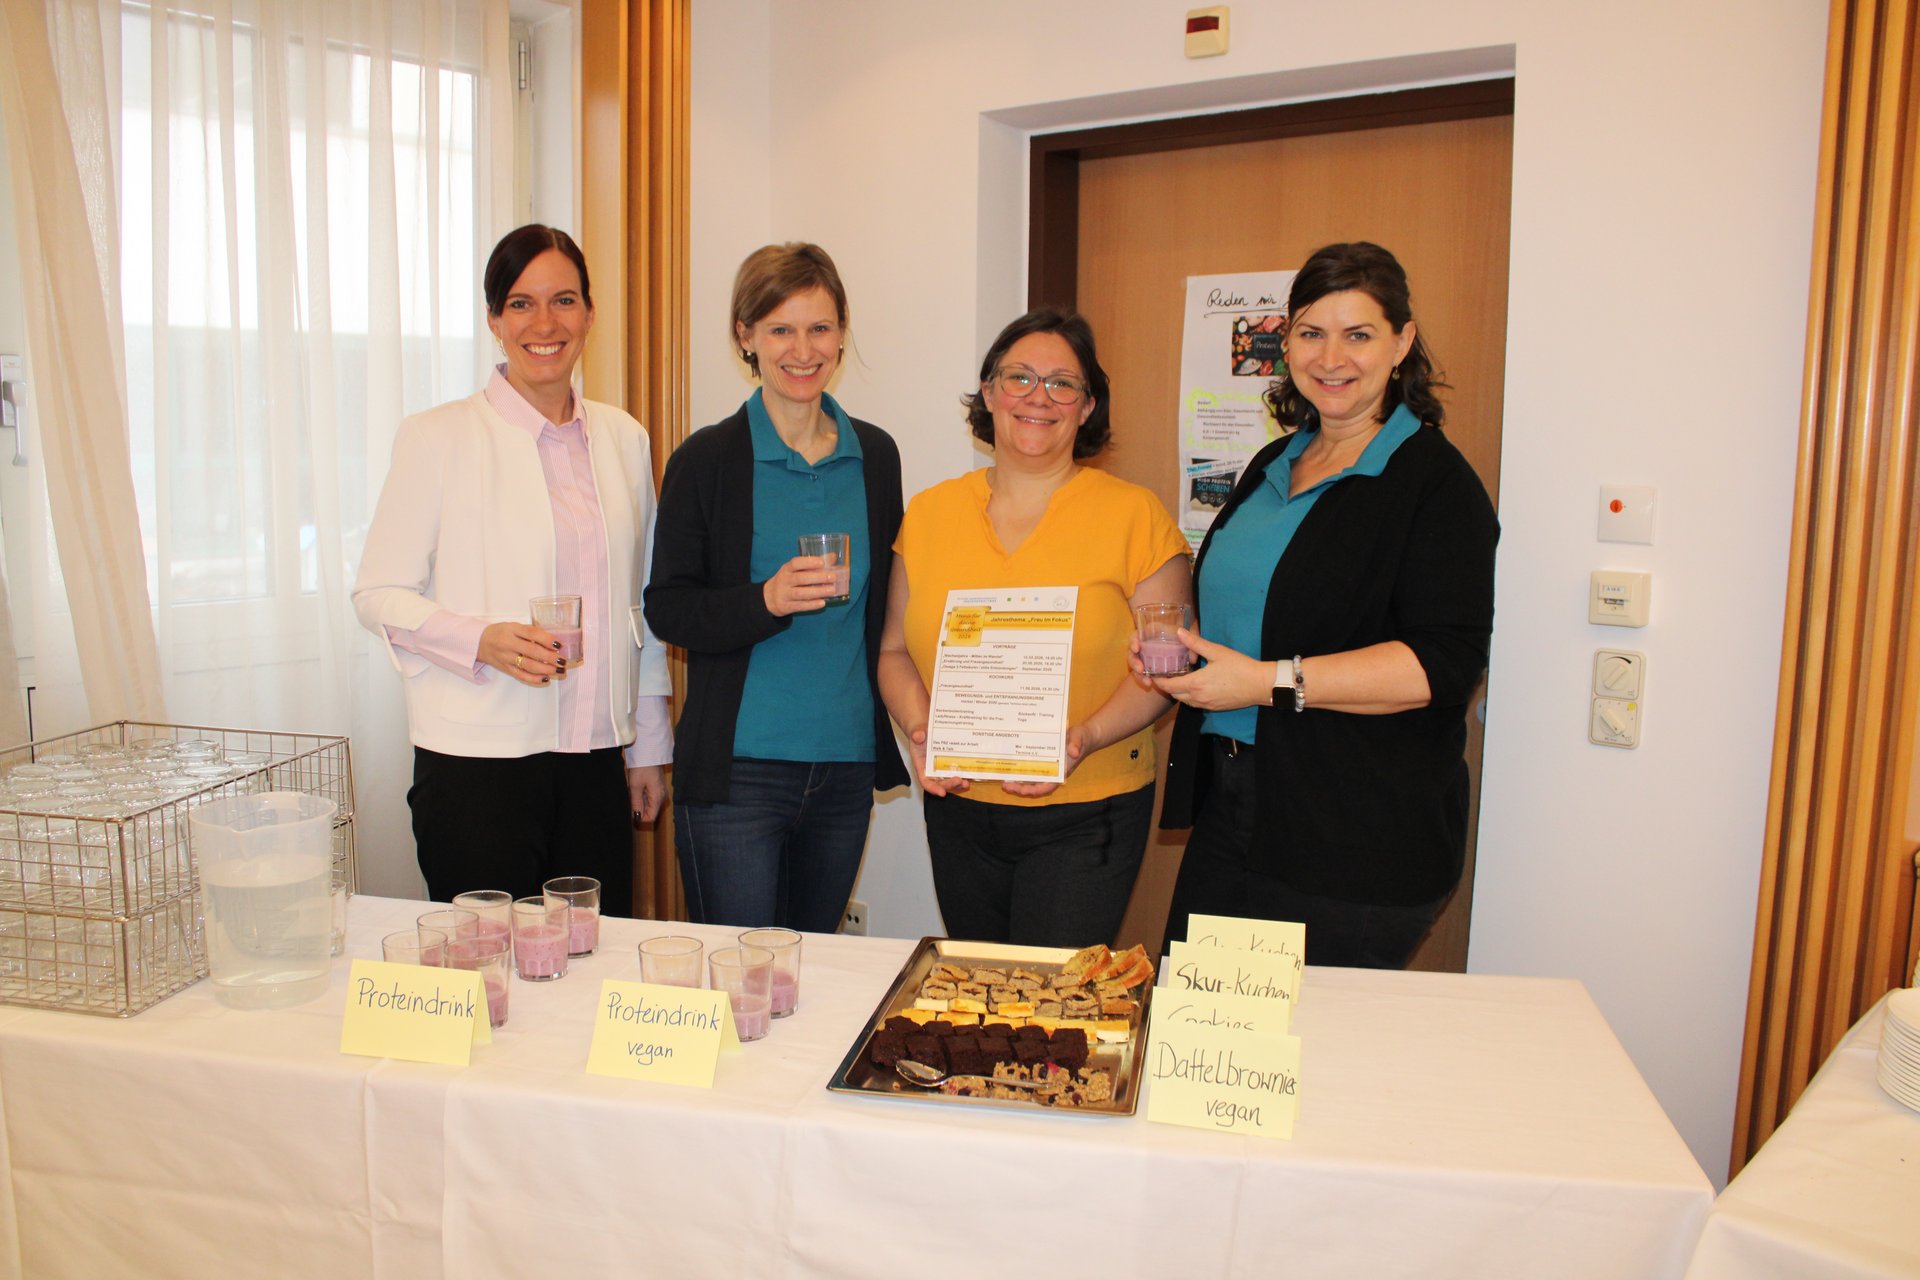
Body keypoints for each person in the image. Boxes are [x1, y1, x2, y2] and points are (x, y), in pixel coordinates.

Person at [1149, 241, 1498, 968]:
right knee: (1197, 1023)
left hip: (1355, 832)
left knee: (1314, 1037)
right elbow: (1257, 609)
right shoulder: (1273, 462)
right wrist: (1183, 648)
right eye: (1311, 333)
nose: (1331, 358)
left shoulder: (1435, 485)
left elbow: (1441, 666)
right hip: (1235, 802)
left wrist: (1264, 681)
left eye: (1358, 334)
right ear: (1286, 344)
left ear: (1401, 343)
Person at [353, 224, 671, 911]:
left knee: (591, 958)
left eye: (564, 300)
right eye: (521, 303)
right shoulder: (437, 437)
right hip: (476, 763)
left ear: (590, 313)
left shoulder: (624, 438)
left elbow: (641, 606)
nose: (544, 323)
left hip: (594, 761)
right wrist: (481, 639)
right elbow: (377, 593)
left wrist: (648, 745)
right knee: (486, 963)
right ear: (494, 320)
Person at [878, 308, 1192, 947]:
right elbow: (893, 652)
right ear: (989, 392)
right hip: (960, 807)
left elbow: (1170, 669)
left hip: (1089, 807)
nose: (1038, 397)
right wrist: (920, 729)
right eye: (1018, 377)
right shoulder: (930, 513)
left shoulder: (1136, 517)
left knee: (1052, 994)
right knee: (981, 986)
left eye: (1062, 384)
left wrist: (1082, 738)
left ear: (1088, 406)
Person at [644, 243, 907, 933]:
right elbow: (667, 607)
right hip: (738, 772)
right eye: (780, 329)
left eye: (819, 327)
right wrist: (764, 600)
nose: (803, 349)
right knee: (742, 975)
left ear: (842, 333)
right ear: (746, 336)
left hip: (845, 765)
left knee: (814, 969)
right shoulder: (706, 459)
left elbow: (889, 611)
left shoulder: (876, 456)